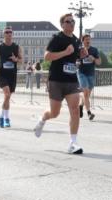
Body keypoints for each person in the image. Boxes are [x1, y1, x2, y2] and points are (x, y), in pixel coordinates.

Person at [33, 13, 84, 154]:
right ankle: (42, 119)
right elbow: (47, 56)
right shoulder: (57, 38)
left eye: (73, 21)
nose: (72, 24)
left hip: (72, 80)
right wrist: (65, 52)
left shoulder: (76, 40)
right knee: (55, 113)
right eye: (69, 21)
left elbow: (78, 56)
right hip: (56, 80)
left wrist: (82, 55)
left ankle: (73, 143)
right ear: (62, 24)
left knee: (75, 110)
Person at [0, 27, 23, 128]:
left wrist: (16, 59)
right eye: (6, 32)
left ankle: (1, 116)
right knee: (7, 94)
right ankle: (7, 119)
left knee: (7, 97)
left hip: (12, 74)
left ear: (12, 34)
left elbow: (21, 60)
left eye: (10, 32)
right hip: (2, 74)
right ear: (3, 34)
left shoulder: (17, 47)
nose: (9, 34)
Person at [76, 34, 100, 120]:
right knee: (85, 93)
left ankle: (80, 106)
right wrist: (77, 62)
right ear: (83, 41)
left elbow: (99, 62)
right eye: (86, 39)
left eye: (89, 39)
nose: (88, 41)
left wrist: (93, 59)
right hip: (81, 73)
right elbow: (75, 61)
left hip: (91, 74)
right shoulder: (79, 50)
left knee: (87, 95)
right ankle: (89, 113)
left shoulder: (94, 50)